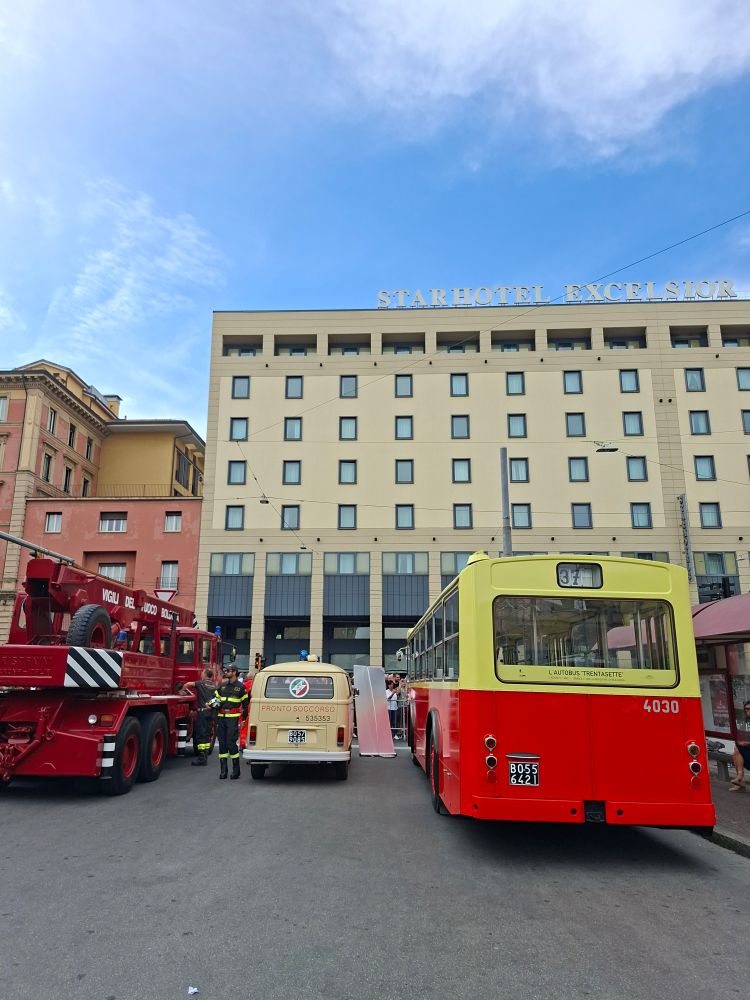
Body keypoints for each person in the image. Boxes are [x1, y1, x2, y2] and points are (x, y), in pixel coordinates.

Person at [180, 668, 219, 766]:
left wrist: (182, 691)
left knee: (201, 735)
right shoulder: (215, 685)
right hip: (211, 713)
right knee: (207, 735)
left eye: (202, 673)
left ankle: (202, 758)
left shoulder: (201, 683)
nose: (201, 674)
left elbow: (188, 684)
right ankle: (204, 756)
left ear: (205, 675)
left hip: (202, 713)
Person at [216, 664, 249, 780]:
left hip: (233, 719)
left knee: (231, 743)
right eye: (226, 670)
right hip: (221, 718)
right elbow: (215, 699)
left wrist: (243, 720)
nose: (226, 672)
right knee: (222, 744)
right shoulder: (223, 686)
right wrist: (211, 703)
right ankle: (223, 771)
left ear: (234, 672)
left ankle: (236, 771)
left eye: (228, 671)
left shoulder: (241, 687)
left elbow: (246, 706)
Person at [730, 700, 750, 791]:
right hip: (747, 749)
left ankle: (740, 778)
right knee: (736, 750)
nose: (748, 711)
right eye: (746, 709)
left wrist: (747, 743)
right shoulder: (744, 720)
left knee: (736, 751)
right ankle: (740, 778)